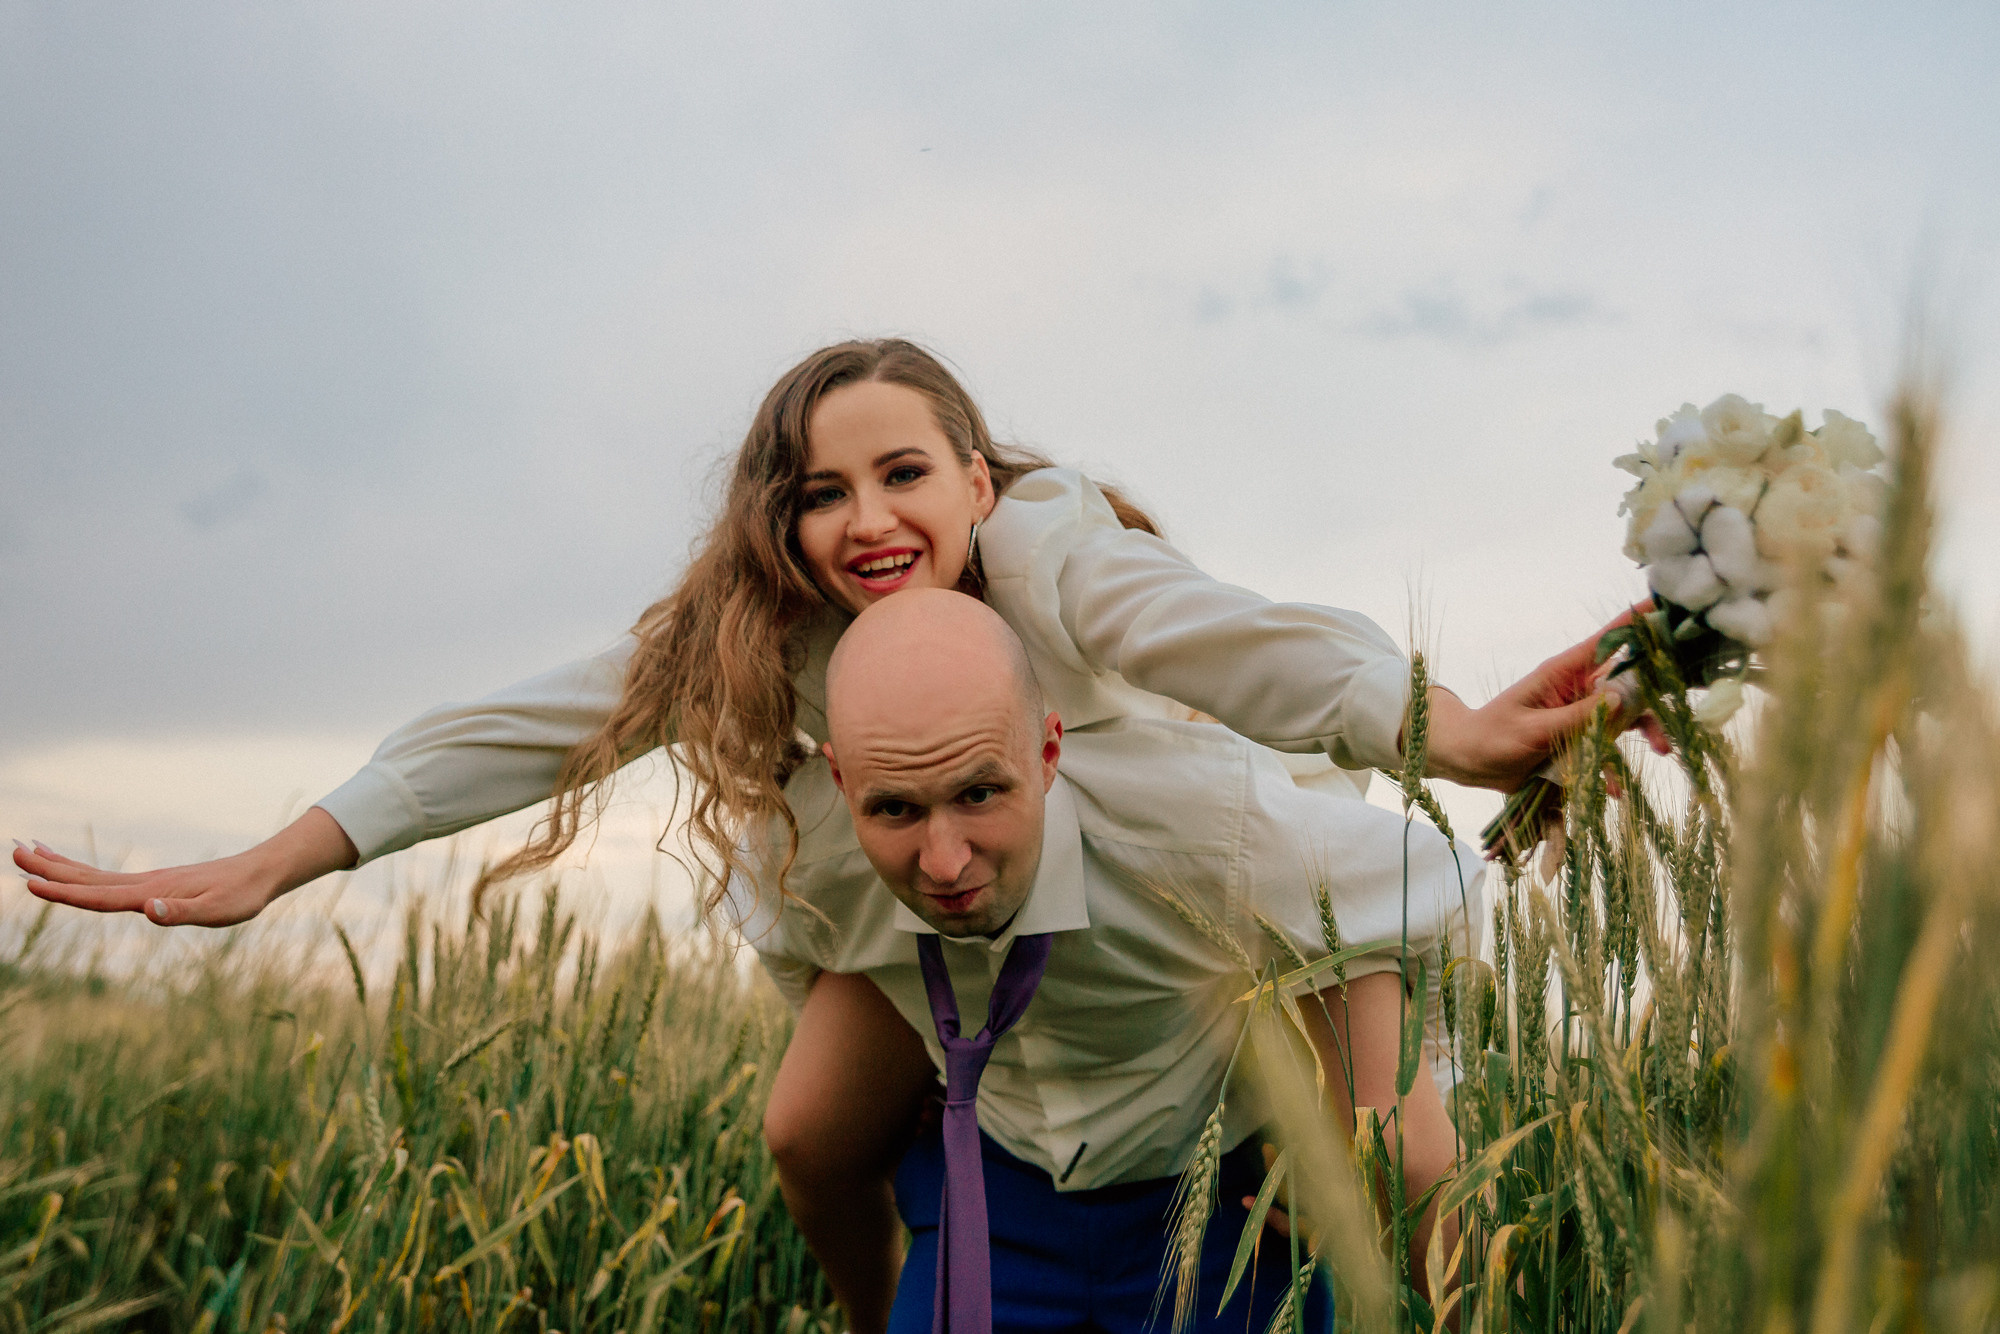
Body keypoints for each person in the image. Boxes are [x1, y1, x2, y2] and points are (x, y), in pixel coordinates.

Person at [16, 338, 1630, 1332]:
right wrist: (285, 854)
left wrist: (1457, 732)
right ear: (774, 519)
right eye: (816, 488)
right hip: (924, 875)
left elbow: (1238, 638)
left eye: (902, 472)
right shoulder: (773, 627)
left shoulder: (1061, 560)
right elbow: (524, 726)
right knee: (805, 1128)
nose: (865, 516)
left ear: (977, 479)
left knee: (1401, 1152)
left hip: (1182, 859)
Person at [783, 585, 1413, 1332]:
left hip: (1212, 1207)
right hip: (985, 1193)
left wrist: (1345, 1166)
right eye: (895, 808)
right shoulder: (804, 857)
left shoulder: (1207, 826)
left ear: (1050, 751)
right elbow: (797, 959)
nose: (944, 863)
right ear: (839, 782)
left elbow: (1413, 896)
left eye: (980, 793)